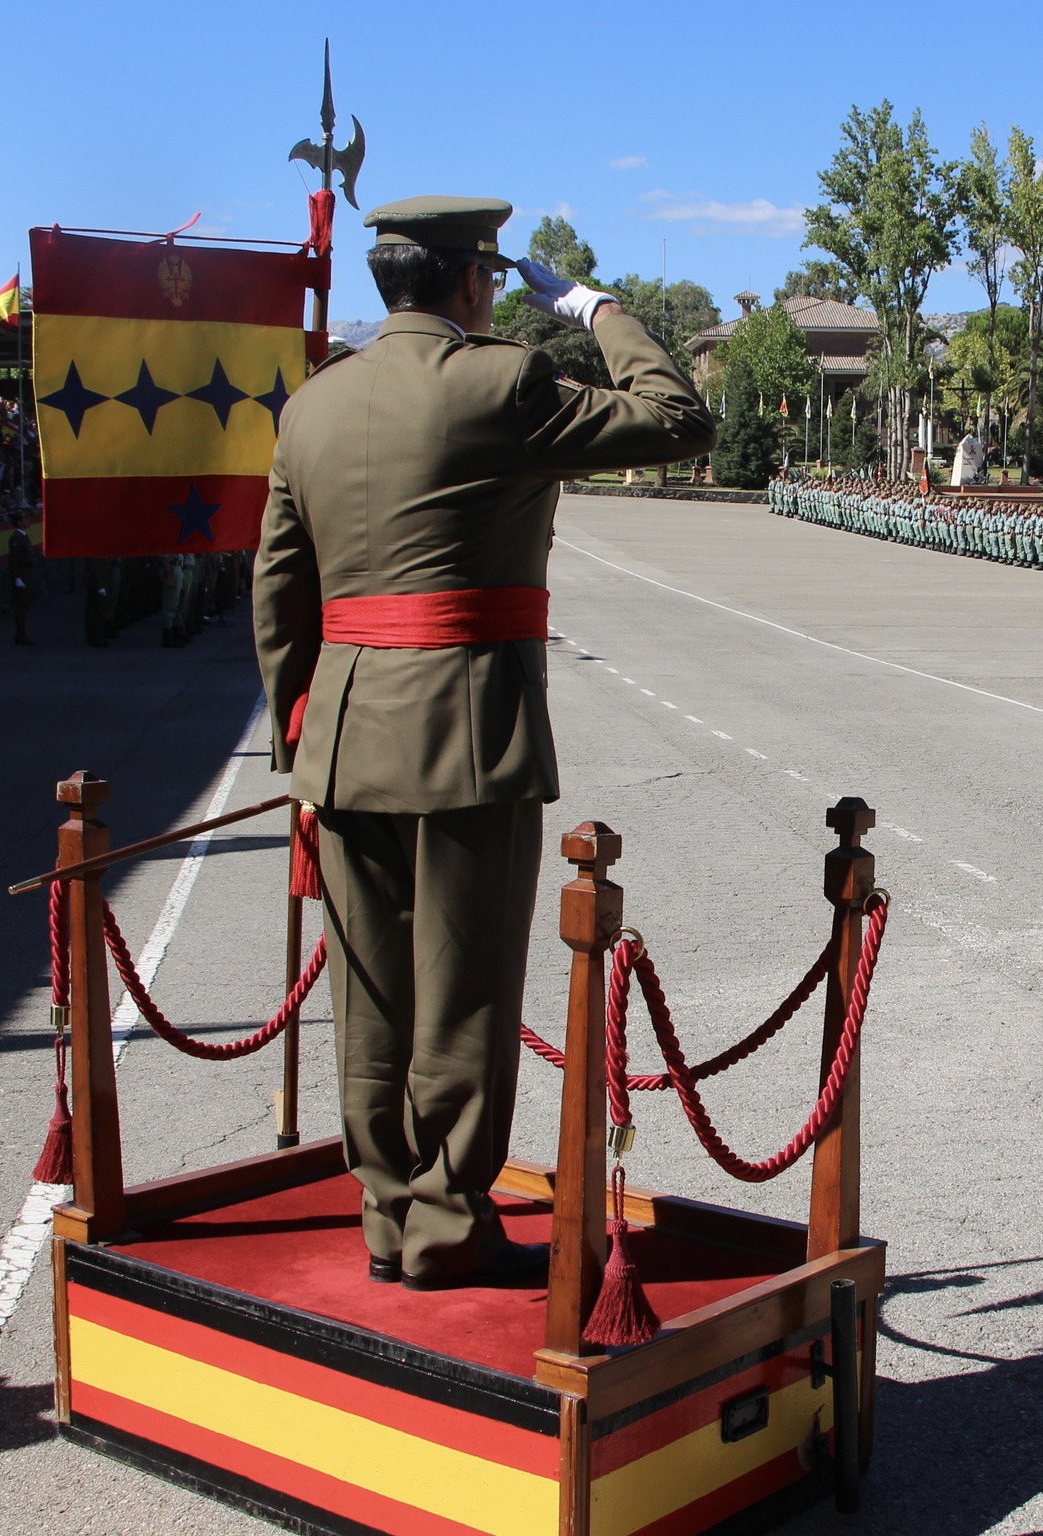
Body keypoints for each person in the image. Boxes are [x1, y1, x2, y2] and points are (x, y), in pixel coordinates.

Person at [254, 195, 715, 1289]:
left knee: (370, 995)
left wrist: (300, 737)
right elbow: (676, 416)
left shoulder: (310, 408)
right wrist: (595, 305)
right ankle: (448, 1223)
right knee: (463, 995)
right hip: (469, 730)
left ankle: (387, 1215)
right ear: (471, 283)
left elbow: (278, 592)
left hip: (344, 738)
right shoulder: (501, 384)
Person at [6, 511, 33, 645]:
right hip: (21, 572)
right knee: (21, 605)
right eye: (25, 519)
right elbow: (13, 560)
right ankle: (20, 635)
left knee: (24, 605)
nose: (28, 521)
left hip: (25, 572)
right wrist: (17, 577)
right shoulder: (16, 538)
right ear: (19, 522)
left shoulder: (23, 536)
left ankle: (22, 634)